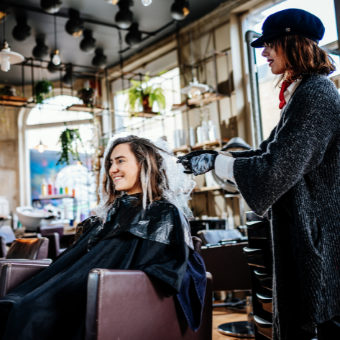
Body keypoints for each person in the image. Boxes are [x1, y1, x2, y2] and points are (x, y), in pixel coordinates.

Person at [177, 8, 340, 340]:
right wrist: (216, 159)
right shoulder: (302, 94)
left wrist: (214, 161)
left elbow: (275, 168)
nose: (264, 53)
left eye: (269, 44)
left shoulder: (316, 94)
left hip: (320, 236)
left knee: (322, 327)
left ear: (291, 43)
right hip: (306, 231)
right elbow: (266, 153)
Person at [0, 136, 205, 340]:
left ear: (144, 164)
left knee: (29, 310)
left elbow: (160, 270)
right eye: (110, 163)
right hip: (78, 288)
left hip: (109, 296)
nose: (112, 169)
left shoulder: (163, 213)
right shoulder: (112, 213)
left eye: (120, 160)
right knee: (13, 303)